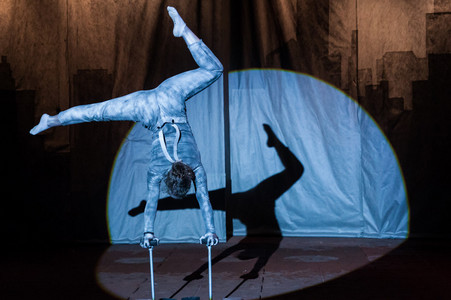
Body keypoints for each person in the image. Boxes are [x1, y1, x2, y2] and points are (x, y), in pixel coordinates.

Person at [30, 6, 222, 248]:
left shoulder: (194, 166)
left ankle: (183, 31)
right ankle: (51, 121)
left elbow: (202, 198)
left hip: (169, 97)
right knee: (97, 112)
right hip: (147, 109)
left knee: (214, 70)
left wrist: (209, 230)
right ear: (168, 180)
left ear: (186, 177)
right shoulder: (157, 171)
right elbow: (157, 200)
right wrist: (149, 234)